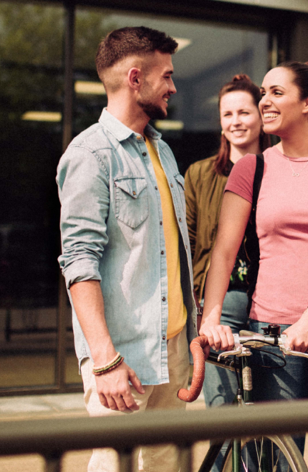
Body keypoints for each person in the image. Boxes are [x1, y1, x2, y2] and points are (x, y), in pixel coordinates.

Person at [200, 61, 308, 472]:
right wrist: (210, 318)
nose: (264, 101)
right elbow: (223, 253)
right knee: (279, 463)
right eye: (263, 92)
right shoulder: (252, 168)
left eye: (276, 93)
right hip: (274, 332)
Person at [56, 26, 197, 472]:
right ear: (136, 78)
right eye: (167, 76)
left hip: (171, 349)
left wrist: (190, 339)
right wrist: (104, 359)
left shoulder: (163, 151)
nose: (173, 87)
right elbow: (79, 261)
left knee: (165, 466)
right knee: (114, 465)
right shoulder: (90, 155)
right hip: (123, 356)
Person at [183, 74, 269, 471]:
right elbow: (188, 243)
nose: (236, 121)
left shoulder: (278, 169)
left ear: (260, 116)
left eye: (244, 112)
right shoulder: (200, 174)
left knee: (267, 414)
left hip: (271, 301)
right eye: (227, 113)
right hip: (219, 301)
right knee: (224, 412)